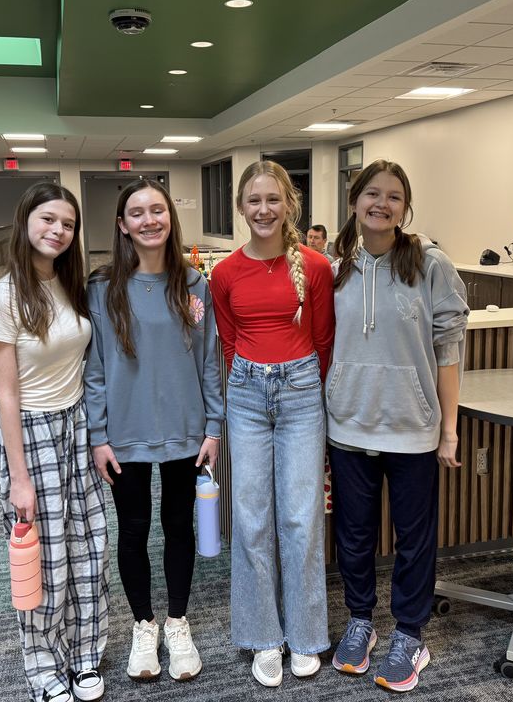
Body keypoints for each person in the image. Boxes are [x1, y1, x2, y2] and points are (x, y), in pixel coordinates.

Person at [326, 159, 468, 693]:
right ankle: (360, 620)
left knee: (414, 539)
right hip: (349, 424)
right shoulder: (332, 265)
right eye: (372, 194)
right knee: (355, 536)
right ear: (354, 201)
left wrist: (449, 430)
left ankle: (411, 632)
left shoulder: (430, 265)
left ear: (405, 209)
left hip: (412, 427)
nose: (381, 204)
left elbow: (449, 352)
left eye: (394, 197)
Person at [84, 178, 223, 683]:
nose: (149, 220)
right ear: (122, 225)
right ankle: (144, 625)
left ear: (170, 218)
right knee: (135, 530)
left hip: (187, 430)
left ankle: (177, 622)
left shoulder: (193, 284)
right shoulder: (102, 288)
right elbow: (95, 369)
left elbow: (210, 361)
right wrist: (98, 436)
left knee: (179, 526)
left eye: (157, 210)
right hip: (125, 432)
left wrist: (214, 425)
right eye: (137, 213)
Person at [209, 160, 335, 688]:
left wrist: (303, 388)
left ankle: (306, 635)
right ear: (241, 208)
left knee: (302, 518)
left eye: (273, 200)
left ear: (289, 205)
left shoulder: (317, 267)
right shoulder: (225, 273)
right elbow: (229, 339)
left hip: (304, 391)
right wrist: (254, 379)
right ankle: (264, 636)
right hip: (246, 394)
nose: (263, 210)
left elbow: (324, 342)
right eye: (253, 201)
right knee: (253, 517)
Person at [0, 182, 108, 702]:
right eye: (48, 220)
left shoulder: (71, 284)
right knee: (45, 557)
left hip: (76, 425)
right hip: (30, 431)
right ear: (25, 222)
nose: (57, 230)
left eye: (68, 224)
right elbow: (6, 396)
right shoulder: (4, 296)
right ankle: (43, 666)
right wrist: (18, 478)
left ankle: (84, 655)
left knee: (91, 545)